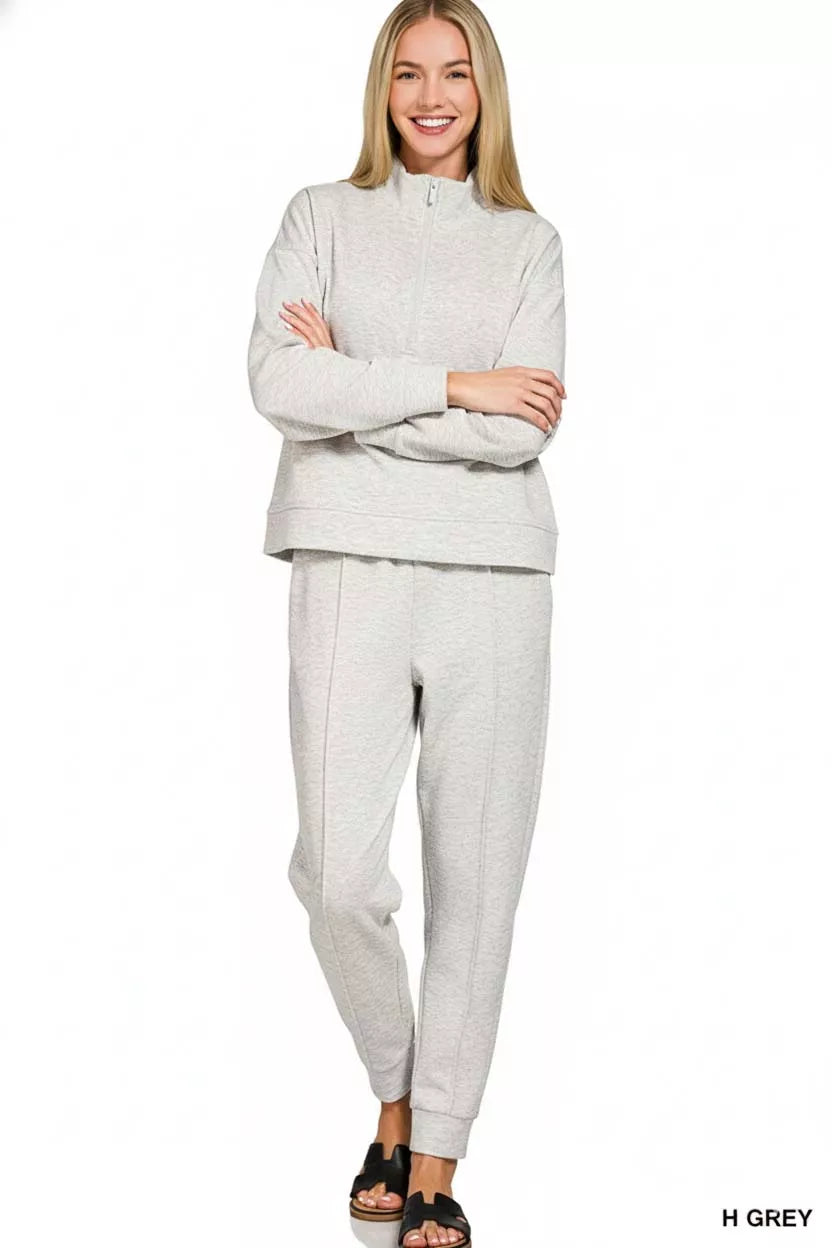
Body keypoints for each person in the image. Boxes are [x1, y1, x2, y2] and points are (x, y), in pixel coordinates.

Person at [246, 2, 567, 1243]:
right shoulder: (317, 219)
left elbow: (521, 431)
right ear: (380, 89)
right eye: (408, 74)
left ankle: (435, 1153)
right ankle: (393, 1086)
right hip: (345, 559)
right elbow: (280, 382)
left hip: (493, 574)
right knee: (336, 875)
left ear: (487, 92)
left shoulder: (530, 244)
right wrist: (452, 383)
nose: (431, 98)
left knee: (476, 880)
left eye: (455, 74)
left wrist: (357, 393)